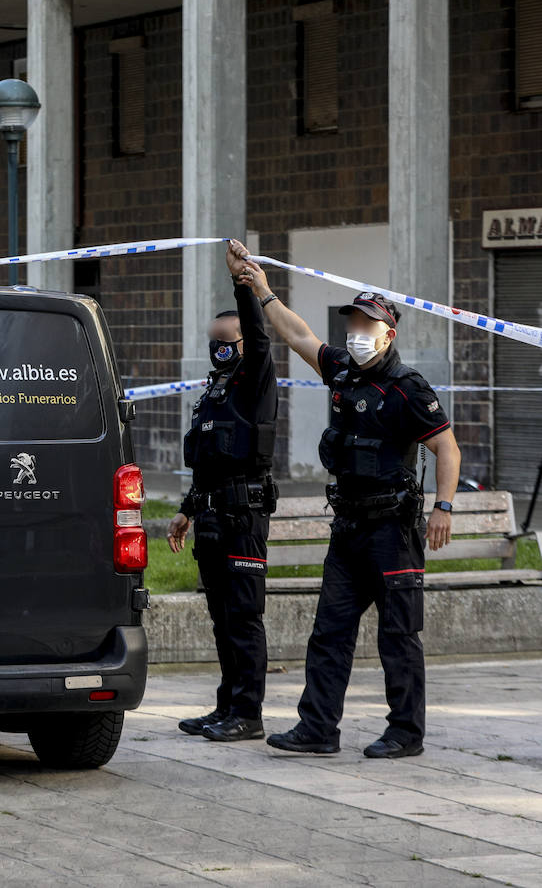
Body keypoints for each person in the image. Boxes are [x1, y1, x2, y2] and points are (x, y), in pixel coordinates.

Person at [228, 239, 460, 759]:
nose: (356, 334)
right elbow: (296, 333)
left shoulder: (408, 388)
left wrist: (443, 507)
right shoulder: (343, 371)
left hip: (392, 533)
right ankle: (317, 729)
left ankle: (405, 732)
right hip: (350, 529)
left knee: (399, 637)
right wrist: (260, 286)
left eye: (366, 326)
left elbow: (447, 447)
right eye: (352, 324)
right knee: (329, 633)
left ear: (388, 334)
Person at [167, 243, 279, 743]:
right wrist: (186, 511)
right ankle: (226, 705)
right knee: (220, 618)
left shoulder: (254, 381)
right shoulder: (213, 392)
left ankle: (249, 713)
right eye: (212, 340)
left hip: (244, 515)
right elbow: (206, 462)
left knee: (243, 617)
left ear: (240, 343)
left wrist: (245, 285)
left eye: (224, 340)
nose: (218, 347)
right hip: (211, 517)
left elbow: (259, 338)